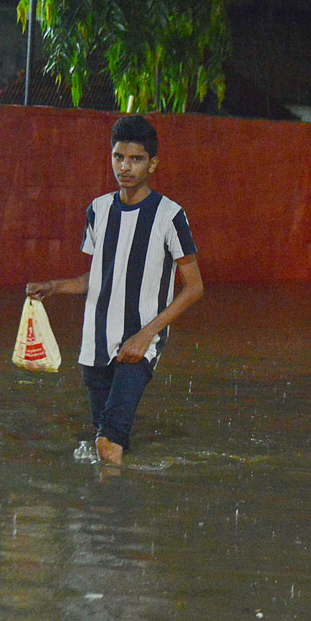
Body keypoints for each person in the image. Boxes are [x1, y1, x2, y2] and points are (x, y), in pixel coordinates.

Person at [26, 115, 204, 466]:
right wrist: (54, 286)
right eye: (118, 157)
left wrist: (145, 337)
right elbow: (99, 277)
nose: (125, 167)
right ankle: (118, 507)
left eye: (136, 159)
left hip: (139, 345)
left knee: (107, 442)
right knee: (108, 441)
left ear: (152, 163)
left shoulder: (170, 216)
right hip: (94, 343)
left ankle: (107, 516)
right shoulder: (97, 210)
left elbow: (195, 288)